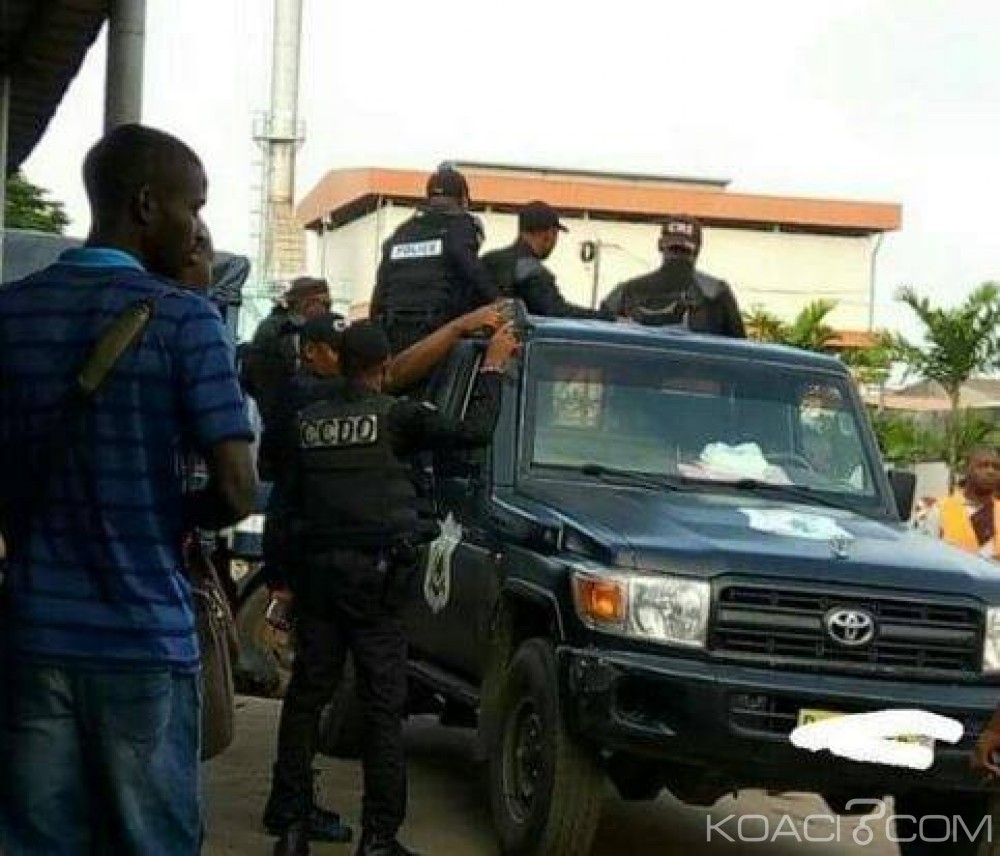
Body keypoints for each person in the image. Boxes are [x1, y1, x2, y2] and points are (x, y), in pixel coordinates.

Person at [0, 124, 258, 854]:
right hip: (142, 637)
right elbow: (238, 490)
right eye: (193, 206)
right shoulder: (185, 319)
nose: (199, 229)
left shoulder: (10, 312)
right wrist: (170, 517)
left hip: (32, 635)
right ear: (147, 206)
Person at [264, 320, 519, 856]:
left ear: (340, 362)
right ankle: (378, 838)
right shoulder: (398, 417)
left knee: (306, 698)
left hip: (318, 581)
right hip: (376, 584)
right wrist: (494, 367)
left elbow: (284, 510)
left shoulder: (306, 423)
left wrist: (282, 585)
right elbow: (473, 433)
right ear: (383, 368)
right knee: (382, 707)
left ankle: (290, 825)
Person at [370, 163, 497, 354]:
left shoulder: (401, 233)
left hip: (394, 335)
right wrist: (500, 301)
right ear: (463, 199)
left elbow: (379, 291)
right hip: (439, 334)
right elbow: (472, 270)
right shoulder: (461, 224)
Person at [601, 215, 746, 337]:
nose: (676, 256)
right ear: (697, 251)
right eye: (674, 249)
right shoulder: (715, 291)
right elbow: (740, 348)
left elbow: (600, 337)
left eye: (681, 251)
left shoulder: (625, 291)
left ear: (660, 246)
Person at [245, 276, 332, 479]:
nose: (328, 310)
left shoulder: (275, 328)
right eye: (325, 304)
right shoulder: (284, 332)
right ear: (309, 303)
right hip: (286, 436)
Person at [482, 200, 610, 319]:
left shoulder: (489, 259)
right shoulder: (531, 270)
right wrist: (605, 317)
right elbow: (557, 311)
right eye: (555, 234)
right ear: (549, 234)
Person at [916, 447, 1000, 557]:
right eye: (983, 466)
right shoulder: (940, 509)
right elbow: (926, 555)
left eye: (996, 467)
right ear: (966, 470)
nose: (991, 472)